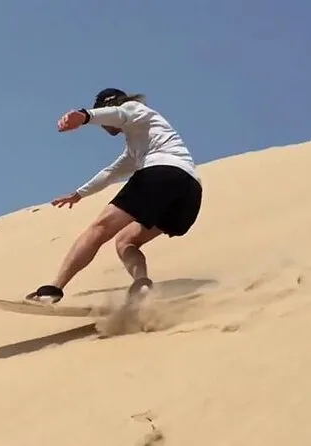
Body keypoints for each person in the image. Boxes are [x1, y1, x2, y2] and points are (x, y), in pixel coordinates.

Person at [25, 88, 203, 304]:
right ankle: (142, 285)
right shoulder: (138, 143)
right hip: (190, 194)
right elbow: (111, 173)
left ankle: (53, 289)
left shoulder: (134, 109)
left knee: (99, 229)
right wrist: (79, 194)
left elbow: (118, 114)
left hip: (162, 173)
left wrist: (84, 116)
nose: (103, 126)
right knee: (126, 240)